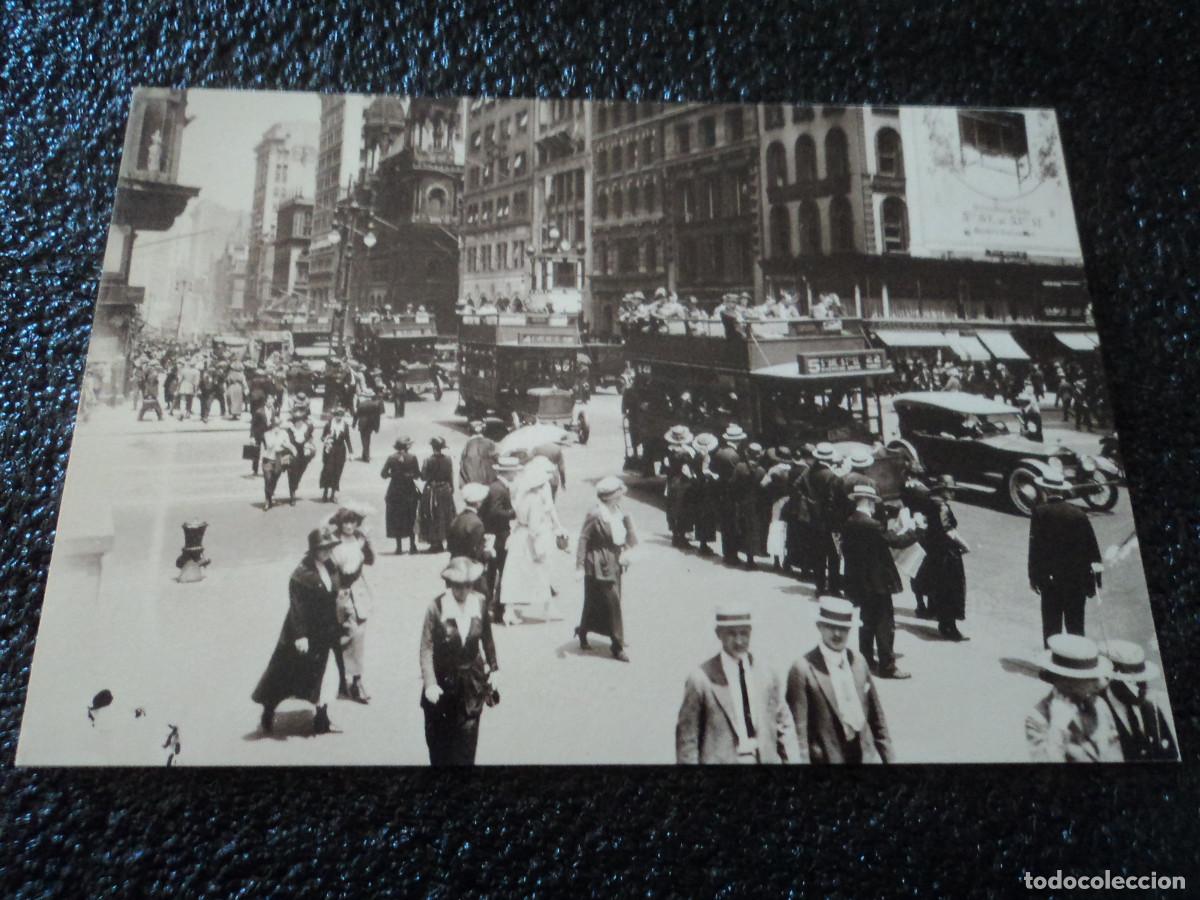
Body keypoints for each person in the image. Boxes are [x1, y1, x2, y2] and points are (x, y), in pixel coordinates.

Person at [675, 603, 797, 764]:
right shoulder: (700, 679)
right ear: (719, 634)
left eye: (744, 633)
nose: (739, 641)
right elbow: (687, 739)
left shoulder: (767, 674)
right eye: (732, 634)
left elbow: (784, 724)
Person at [252, 526, 341, 736]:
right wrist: (301, 635)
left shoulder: (331, 566)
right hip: (303, 634)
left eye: (329, 547)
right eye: (322, 548)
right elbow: (297, 607)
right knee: (285, 675)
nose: (327, 552)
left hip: (325, 633)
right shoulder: (301, 575)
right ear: (313, 550)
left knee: (326, 673)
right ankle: (269, 708)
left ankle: (322, 719)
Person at [786, 596, 893, 764]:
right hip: (826, 757)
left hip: (863, 755)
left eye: (843, 628)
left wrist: (890, 758)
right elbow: (798, 733)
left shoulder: (858, 662)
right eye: (830, 626)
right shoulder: (802, 669)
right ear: (819, 626)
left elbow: (877, 718)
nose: (837, 633)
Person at [419, 556, 499, 766]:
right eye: (457, 586)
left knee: (466, 746)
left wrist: (494, 668)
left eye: (467, 585)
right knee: (440, 748)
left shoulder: (480, 604)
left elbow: (487, 638)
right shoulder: (436, 608)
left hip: (471, 686)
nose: (462, 591)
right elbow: (426, 648)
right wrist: (430, 683)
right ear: (449, 584)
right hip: (442, 686)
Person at [839, 484, 921, 679]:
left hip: (860, 581)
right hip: (878, 582)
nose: (875, 507)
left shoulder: (850, 521)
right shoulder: (872, 525)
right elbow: (896, 541)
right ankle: (887, 666)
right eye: (874, 503)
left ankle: (865, 660)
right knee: (884, 623)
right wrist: (915, 528)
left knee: (867, 621)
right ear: (868, 501)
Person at [1027, 470, 1101, 647]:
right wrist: (1095, 583)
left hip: (1051, 581)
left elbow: (1035, 550)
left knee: (1052, 626)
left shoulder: (1039, 513)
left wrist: (1033, 577)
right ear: (1062, 491)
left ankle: (1052, 666)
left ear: (1044, 488)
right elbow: (1093, 551)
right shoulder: (1079, 514)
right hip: (1077, 581)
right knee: (1076, 626)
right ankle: (1077, 665)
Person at [1026, 634, 1122, 762]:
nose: (1098, 684)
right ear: (1067, 680)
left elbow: (1114, 750)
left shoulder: (1099, 704)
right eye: (1090, 678)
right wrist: (1058, 727)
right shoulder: (1038, 718)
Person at [575, 476, 639, 661]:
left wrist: (628, 550)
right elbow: (583, 539)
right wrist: (579, 566)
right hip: (598, 563)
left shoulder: (618, 511)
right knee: (614, 602)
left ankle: (583, 631)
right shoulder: (595, 514)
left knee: (594, 601)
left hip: (615, 561)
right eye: (619, 494)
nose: (621, 497)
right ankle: (617, 646)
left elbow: (626, 537)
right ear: (610, 497)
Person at [500, 459, 566, 624]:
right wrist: (539, 548)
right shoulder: (536, 500)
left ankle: (509, 611)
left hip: (519, 536)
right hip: (530, 541)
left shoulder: (523, 497)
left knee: (514, 575)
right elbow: (534, 527)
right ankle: (548, 608)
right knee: (541, 574)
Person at [1098, 640, 1179, 761]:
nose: (1141, 689)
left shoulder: (1150, 708)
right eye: (1131, 682)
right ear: (1111, 680)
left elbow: (1170, 756)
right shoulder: (1097, 709)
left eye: (1143, 681)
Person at [913, 475, 971, 641]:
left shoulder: (930, 502)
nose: (953, 493)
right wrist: (964, 545)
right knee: (951, 590)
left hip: (934, 551)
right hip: (947, 553)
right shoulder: (942, 506)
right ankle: (949, 627)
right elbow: (949, 530)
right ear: (943, 489)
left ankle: (943, 622)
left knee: (939, 588)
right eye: (951, 490)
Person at [328, 506, 376, 704]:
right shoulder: (335, 544)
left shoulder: (358, 539)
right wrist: (360, 547)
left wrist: (366, 544)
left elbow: (371, 561)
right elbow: (344, 572)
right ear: (339, 524)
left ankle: (350, 679)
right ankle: (354, 681)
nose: (349, 526)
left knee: (357, 635)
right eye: (346, 522)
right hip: (343, 593)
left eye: (353, 521)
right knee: (350, 635)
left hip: (360, 592)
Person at [480, 456, 519, 623]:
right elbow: (495, 512)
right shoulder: (499, 489)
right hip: (498, 536)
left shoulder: (497, 486)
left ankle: (493, 608)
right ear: (508, 472)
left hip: (496, 534)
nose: (516, 474)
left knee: (493, 573)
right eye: (514, 471)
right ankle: (497, 609)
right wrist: (513, 512)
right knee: (501, 572)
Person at [805, 442, 844, 596]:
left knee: (819, 555)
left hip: (815, 520)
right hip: (832, 522)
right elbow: (835, 500)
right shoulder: (832, 476)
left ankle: (820, 587)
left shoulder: (810, 473)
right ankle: (833, 587)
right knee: (834, 555)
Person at [711, 424, 746, 564]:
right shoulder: (735, 456)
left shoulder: (719, 452)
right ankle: (733, 555)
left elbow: (713, 469)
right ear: (738, 440)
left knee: (725, 524)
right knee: (733, 524)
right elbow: (736, 476)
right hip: (732, 494)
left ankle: (727, 554)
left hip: (721, 491)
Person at [381, 437, 421, 554]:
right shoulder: (412, 458)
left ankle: (399, 547)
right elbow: (417, 474)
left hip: (394, 490)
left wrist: (393, 475)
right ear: (407, 447)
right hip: (409, 490)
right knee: (410, 516)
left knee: (396, 517)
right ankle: (412, 546)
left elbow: (383, 474)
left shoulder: (391, 458)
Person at [419, 436, 457, 553]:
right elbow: (450, 476)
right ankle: (449, 541)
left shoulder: (428, 460)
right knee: (447, 514)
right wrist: (451, 488)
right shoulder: (448, 460)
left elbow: (424, 477)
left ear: (432, 447)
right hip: (445, 489)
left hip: (433, 490)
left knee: (432, 515)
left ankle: (436, 542)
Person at [662, 425, 696, 548]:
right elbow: (686, 470)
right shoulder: (685, 453)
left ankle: (675, 536)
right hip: (682, 483)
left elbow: (665, 467)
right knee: (683, 509)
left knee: (673, 509)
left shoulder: (668, 451)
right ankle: (682, 539)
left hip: (671, 482)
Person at [688, 433, 720, 556]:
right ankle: (704, 545)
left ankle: (702, 543)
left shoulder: (696, 455)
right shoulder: (706, 457)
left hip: (697, 488)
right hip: (706, 489)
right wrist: (714, 476)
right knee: (706, 516)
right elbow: (705, 471)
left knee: (700, 515)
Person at [448, 482, 490, 569]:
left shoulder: (457, 519)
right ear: (478, 503)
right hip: (470, 570)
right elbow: (477, 554)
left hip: (455, 566)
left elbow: (450, 546)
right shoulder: (477, 524)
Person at [319, 406, 354, 503]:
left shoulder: (345, 426)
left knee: (337, 472)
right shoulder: (329, 425)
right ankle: (325, 493)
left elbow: (347, 439)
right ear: (334, 416)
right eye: (337, 415)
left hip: (340, 451)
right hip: (329, 450)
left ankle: (332, 495)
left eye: (341, 415)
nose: (339, 417)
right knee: (328, 471)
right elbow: (322, 437)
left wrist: (351, 452)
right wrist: (326, 439)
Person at [284, 406, 316, 506]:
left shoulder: (307, 428)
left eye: (301, 420)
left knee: (299, 474)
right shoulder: (289, 431)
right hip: (293, 456)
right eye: (297, 420)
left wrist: (309, 445)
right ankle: (292, 495)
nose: (299, 422)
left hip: (304, 456)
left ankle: (295, 485)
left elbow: (310, 438)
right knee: (292, 474)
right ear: (293, 421)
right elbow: (285, 443)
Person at [260, 415, 292, 511]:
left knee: (274, 479)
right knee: (268, 480)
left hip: (279, 459)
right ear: (272, 425)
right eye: (275, 425)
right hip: (268, 459)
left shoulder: (284, 433)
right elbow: (269, 445)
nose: (276, 427)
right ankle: (267, 500)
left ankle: (270, 495)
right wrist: (276, 436)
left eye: (278, 425)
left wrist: (284, 444)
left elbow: (288, 444)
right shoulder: (267, 434)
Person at [460, 420, 499, 486]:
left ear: (469, 430)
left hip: (472, 483)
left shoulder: (467, 446)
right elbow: (498, 460)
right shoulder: (490, 443)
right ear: (484, 430)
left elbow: (463, 467)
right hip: (489, 483)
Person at [353, 389, 383, 462]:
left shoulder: (361, 404)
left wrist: (354, 424)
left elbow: (357, 415)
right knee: (368, 439)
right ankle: (365, 455)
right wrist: (377, 427)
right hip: (371, 423)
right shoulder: (376, 404)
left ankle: (366, 456)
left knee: (364, 439)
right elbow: (378, 417)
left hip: (362, 423)